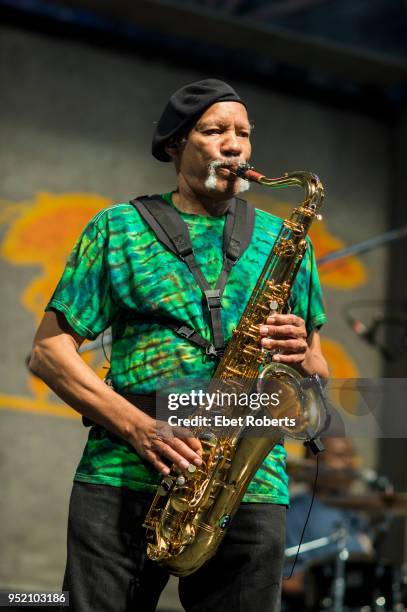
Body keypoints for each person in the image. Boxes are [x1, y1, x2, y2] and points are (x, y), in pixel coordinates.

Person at [29, 79, 329, 612]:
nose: (234, 144)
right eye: (215, 131)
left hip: (248, 483)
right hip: (123, 470)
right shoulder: (118, 229)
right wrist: (139, 428)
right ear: (175, 145)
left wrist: (303, 356)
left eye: (243, 133)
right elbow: (49, 353)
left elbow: (316, 375)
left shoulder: (288, 240)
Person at [283, 438, 372, 611]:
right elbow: (280, 579)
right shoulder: (293, 511)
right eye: (340, 456)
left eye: (350, 455)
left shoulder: (354, 514)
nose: (349, 463)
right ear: (316, 461)